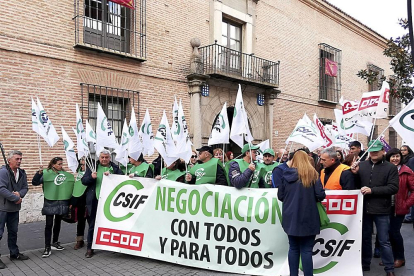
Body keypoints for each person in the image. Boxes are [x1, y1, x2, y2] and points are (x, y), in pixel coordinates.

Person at [351, 140, 399, 275]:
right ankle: (365, 264)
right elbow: (356, 186)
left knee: (384, 240)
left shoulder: (390, 167)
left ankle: (389, 268)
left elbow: (393, 187)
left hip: (382, 209)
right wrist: (354, 174)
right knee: (365, 238)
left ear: (383, 151)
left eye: (377, 150)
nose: (374, 153)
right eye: (372, 150)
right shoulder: (363, 165)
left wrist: (373, 190)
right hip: (365, 209)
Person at [277, 150, 326, 276]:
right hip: (309, 216)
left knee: (293, 248)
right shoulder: (313, 175)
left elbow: (280, 196)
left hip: (290, 216)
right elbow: (320, 195)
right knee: (306, 250)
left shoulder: (285, 174)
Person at [81, 150, 123, 258]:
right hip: (95, 199)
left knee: (112, 223)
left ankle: (112, 246)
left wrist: (113, 176)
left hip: (110, 201)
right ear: (99, 158)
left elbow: (123, 180)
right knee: (92, 224)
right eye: (102, 157)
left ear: (110, 158)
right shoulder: (92, 167)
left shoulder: (115, 168)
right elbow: (84, 181)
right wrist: (91, 177)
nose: (104, 159)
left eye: (106, 157)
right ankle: (90, 248)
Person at [32, 157, 75, 258]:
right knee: (49, 224)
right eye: (59, 164)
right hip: (50, 202)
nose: (61, 166)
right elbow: (35, 182)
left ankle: (55, 242)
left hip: (61, 201)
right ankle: (47, 247)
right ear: (53, 164)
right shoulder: (46, 173)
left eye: (61, 164)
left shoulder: (65, 174)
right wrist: (38, 173)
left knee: (58, 223)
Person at [383, 148, 414, 268]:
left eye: (397, 156)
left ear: (401, 157)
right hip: (384, 207)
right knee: (386, 234)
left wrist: (407, 203)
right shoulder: (384, 169)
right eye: (392, 156)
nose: (395, 159)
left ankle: (400, 258)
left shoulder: (407, 171)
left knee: (394, 232)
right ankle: (390, 258)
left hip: (398, 208)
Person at [0, 150, 29, 269]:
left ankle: (14, 253)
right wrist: (15, 198)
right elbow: (1, 188)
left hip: (15, 208)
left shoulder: (22, 172)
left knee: (13, 232)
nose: (19, 161)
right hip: (2, 208)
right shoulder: (3, 172)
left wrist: (19, 194)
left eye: (20, 159)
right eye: (17, 159)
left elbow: (25, 187)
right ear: (9, 160)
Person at [70, 158, 87, 250]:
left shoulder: (91, 173)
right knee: (80, 221)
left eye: (84, 165)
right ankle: (79, 240)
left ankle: (93, 241)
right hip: (79, 199)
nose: (82, 166)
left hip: (87, 199)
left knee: (91, 221)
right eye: (81, 164)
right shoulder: (80, 171)